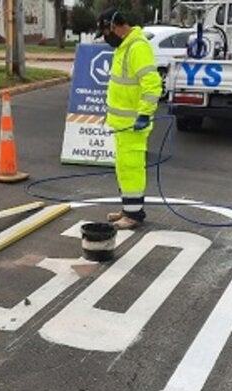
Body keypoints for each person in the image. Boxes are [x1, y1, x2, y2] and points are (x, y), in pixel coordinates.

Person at [95, 7, 162, 230]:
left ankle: (133, 216)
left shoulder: (137, 47)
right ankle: (129, 209)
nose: (105, 37)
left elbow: (152, 84)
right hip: (123, 125)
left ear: (115, 26)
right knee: (124, 168)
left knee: (131, 169)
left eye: (106, 32)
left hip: (134, 124)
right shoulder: (124, 47)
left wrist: (144, 113)